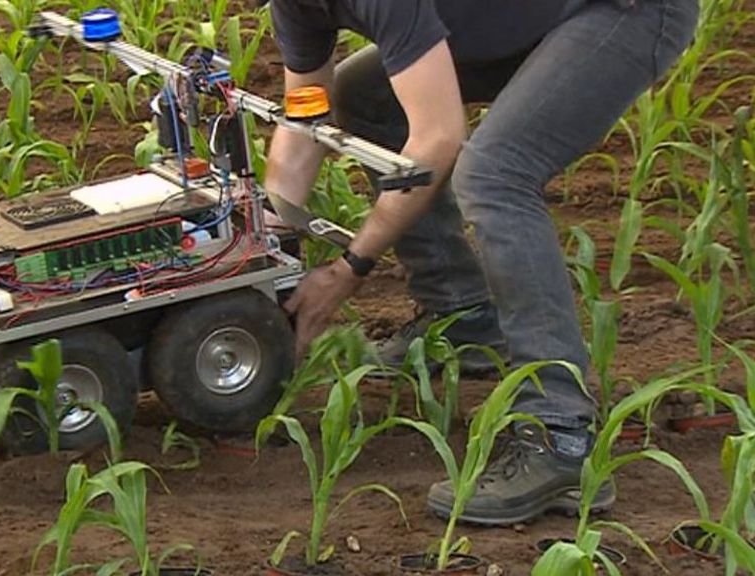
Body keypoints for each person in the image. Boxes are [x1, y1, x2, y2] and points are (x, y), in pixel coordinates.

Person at [263, 0, 698, 525]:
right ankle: (462, 315)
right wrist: (265, 240)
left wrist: (349, 268)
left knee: (495, 171)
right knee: (361, 92)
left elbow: (438, 137)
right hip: (525, 19)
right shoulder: (293, 5)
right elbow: (304, 111)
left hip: (624, 12)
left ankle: (560, 436)